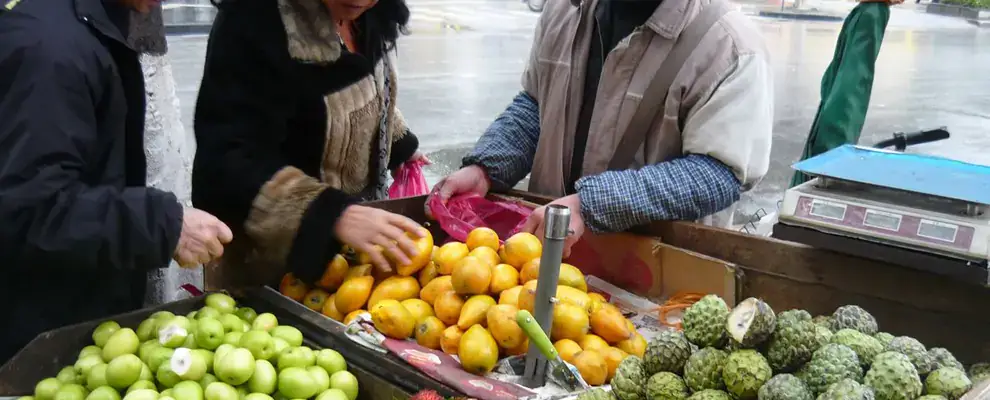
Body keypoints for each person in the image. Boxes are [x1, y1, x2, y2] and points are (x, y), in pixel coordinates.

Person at [433, 0, 774, 255]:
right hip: (542, 255)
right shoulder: (563, 11)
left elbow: (716, 174)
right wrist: (486, 168)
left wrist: (591, 204)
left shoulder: (730, 46)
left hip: (656, 275)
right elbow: (537, 104)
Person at [0, 0, 233, 364]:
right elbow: (34, 210)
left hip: (82, 319)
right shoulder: (51, 50)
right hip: (39, 338)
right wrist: (162, 225)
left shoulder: (96, 26)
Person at [192, 0, 426, 288]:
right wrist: (330, 215)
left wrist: (399, 144)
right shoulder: (255, 23)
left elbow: (368, 85)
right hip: (275, 269)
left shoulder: (373, 13)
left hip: (356, 263)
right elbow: (226, 163)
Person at [790, 0, 902, 187]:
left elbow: (853, 81)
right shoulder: (869, 10)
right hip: (833, 120)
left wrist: (832, 147)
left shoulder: (871, 13)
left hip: (833, 129)